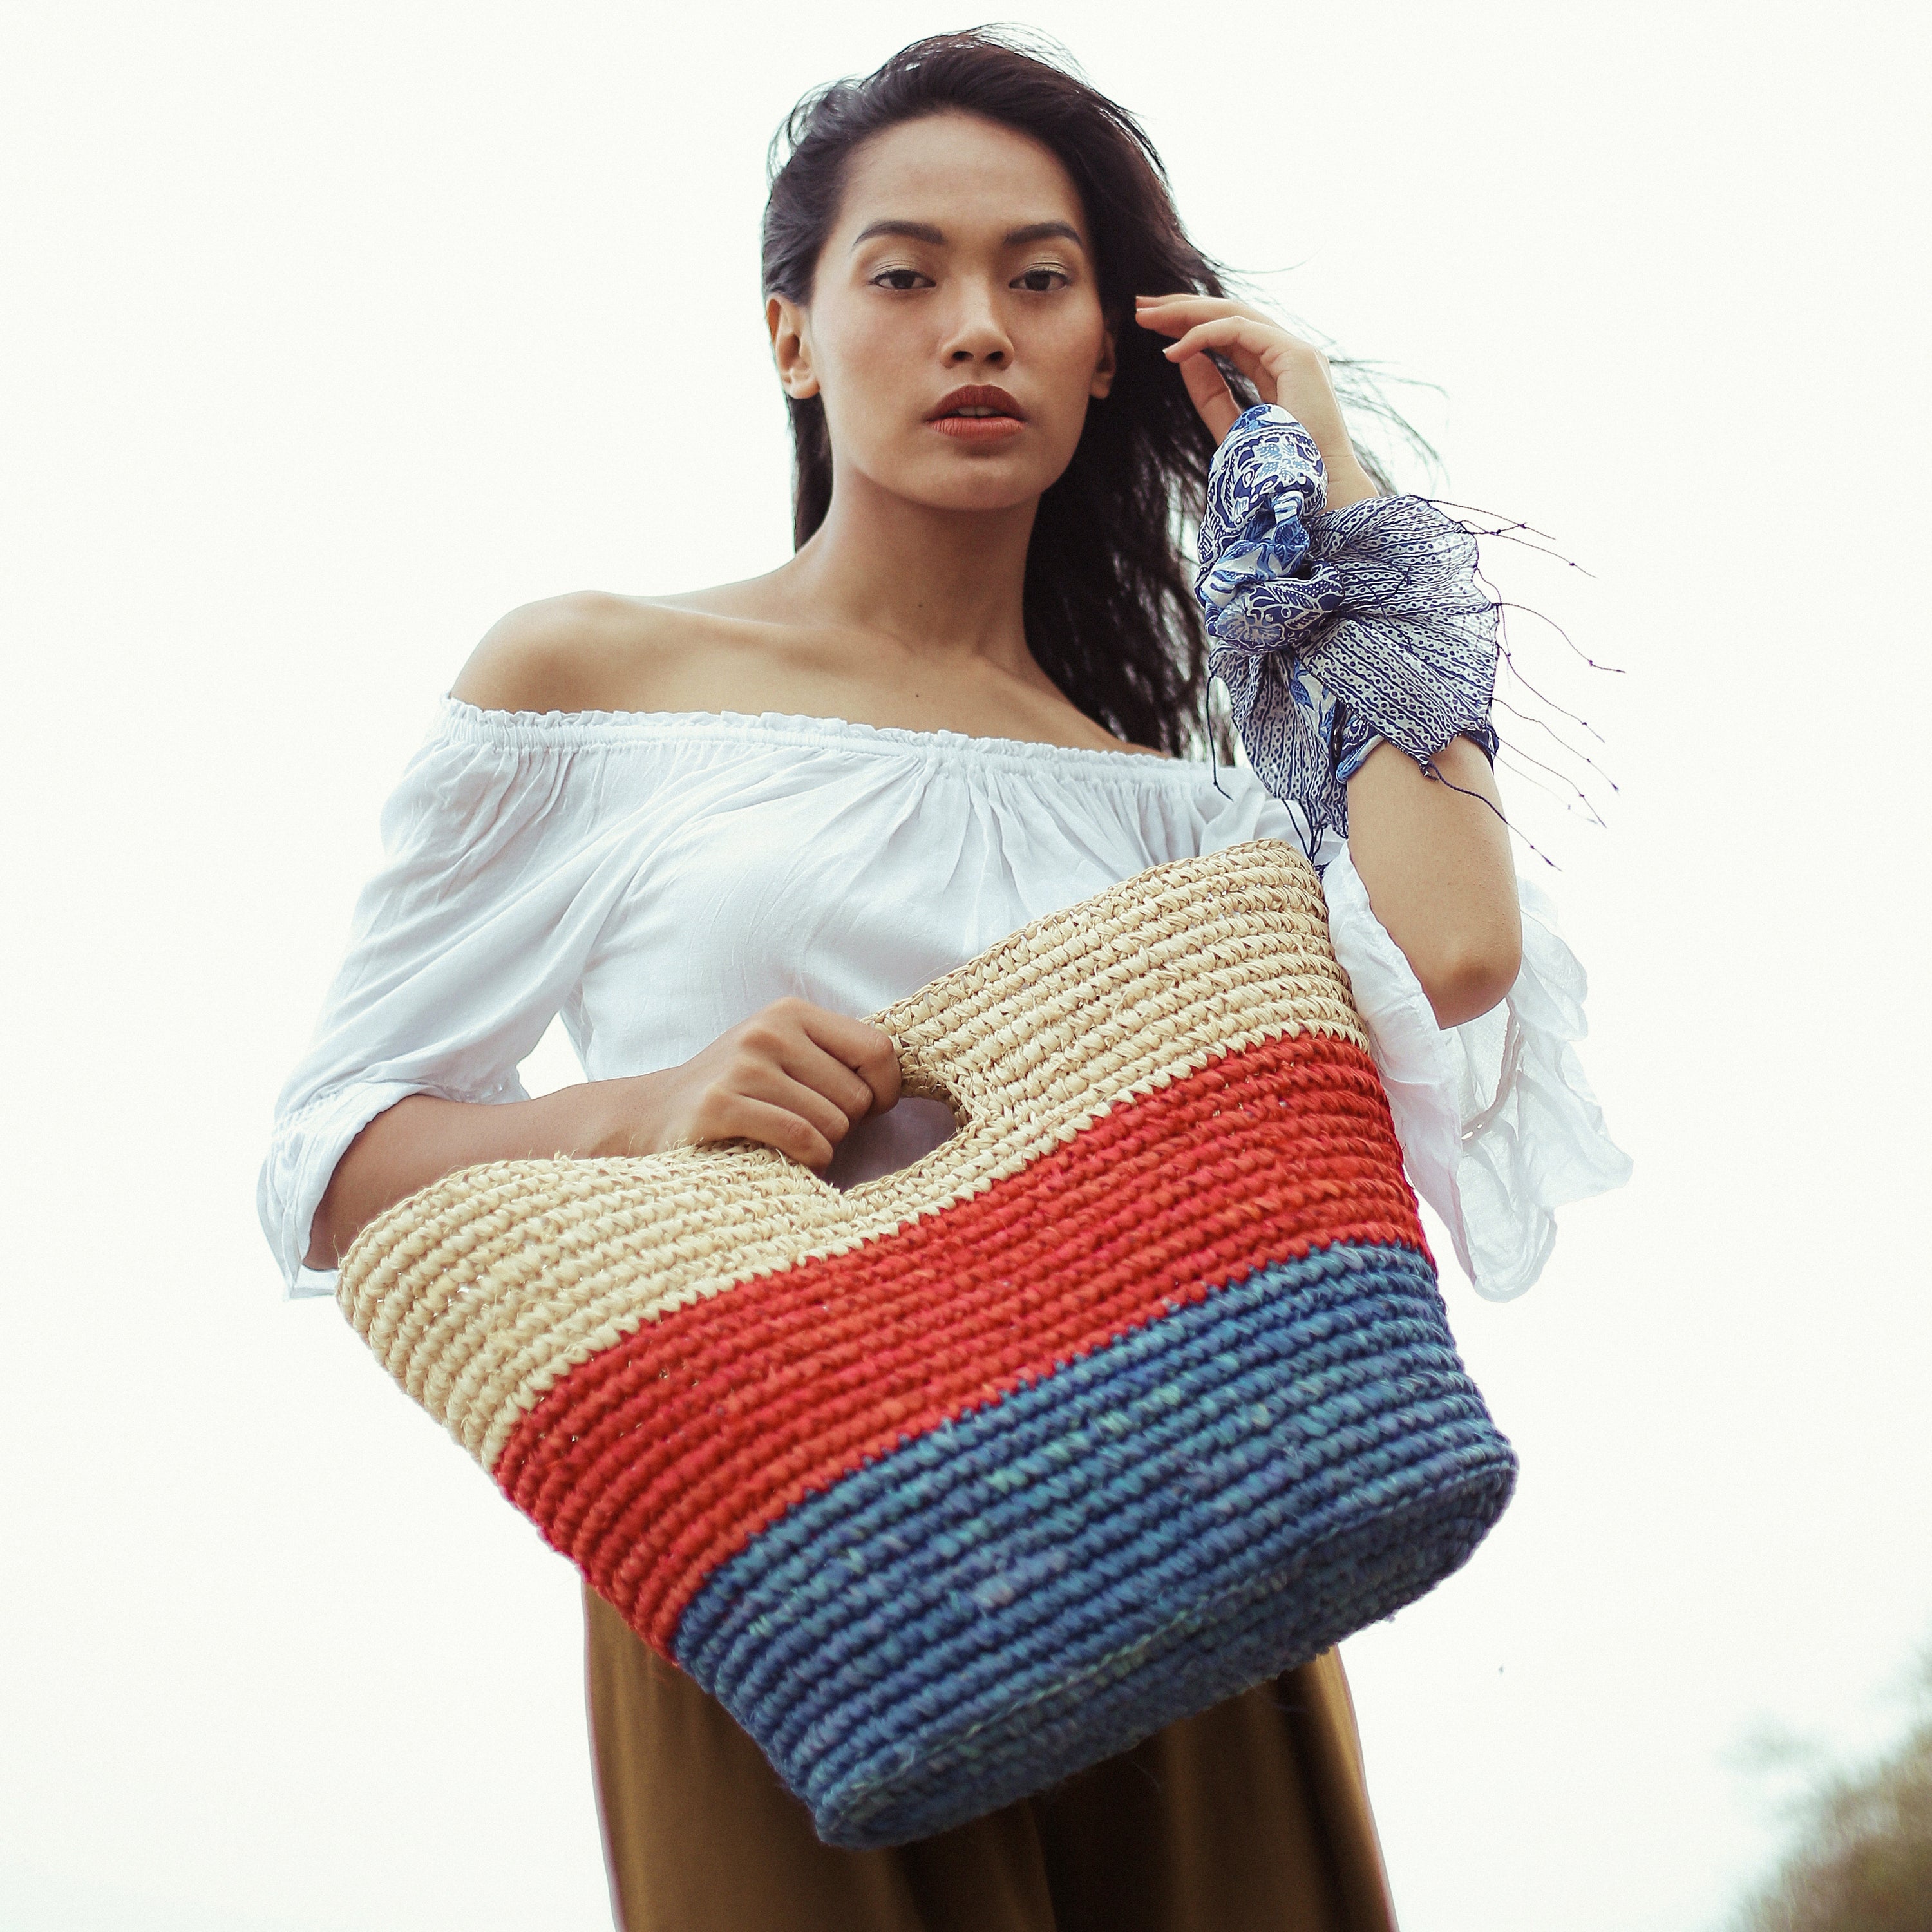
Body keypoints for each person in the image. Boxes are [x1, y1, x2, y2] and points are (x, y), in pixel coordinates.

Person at [260, 29, 1628, 1931]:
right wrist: (639, 1113)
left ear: (1110, 348)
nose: (973, 327)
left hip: (1196, 1529)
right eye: (904, 274)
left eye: (1039, 280)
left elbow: (1462, 955)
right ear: (795, 336)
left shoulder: (1191, 827)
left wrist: (1344, 512)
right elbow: (323, 1164)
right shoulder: (596, 679)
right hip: (794, 1562)